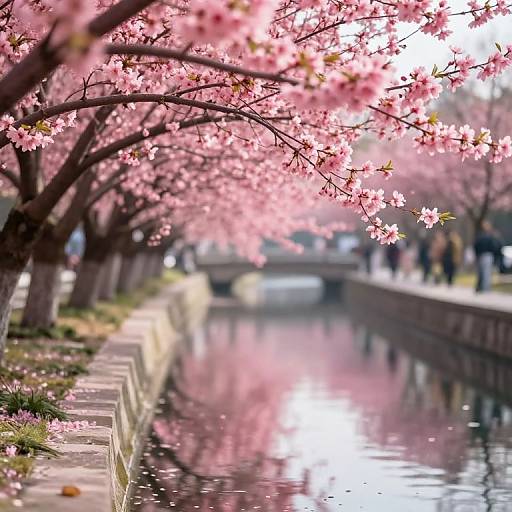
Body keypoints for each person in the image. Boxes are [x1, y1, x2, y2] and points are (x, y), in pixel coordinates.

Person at [474, 222, 501, 292]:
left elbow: (475, 246)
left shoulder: (479, 237)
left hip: (481, 256)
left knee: (481, 272)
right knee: (486, 273)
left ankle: (481, 287)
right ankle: (486, 288)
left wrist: (477, 254)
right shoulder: (489, 237)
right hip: (488, 255)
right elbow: (494, 247)